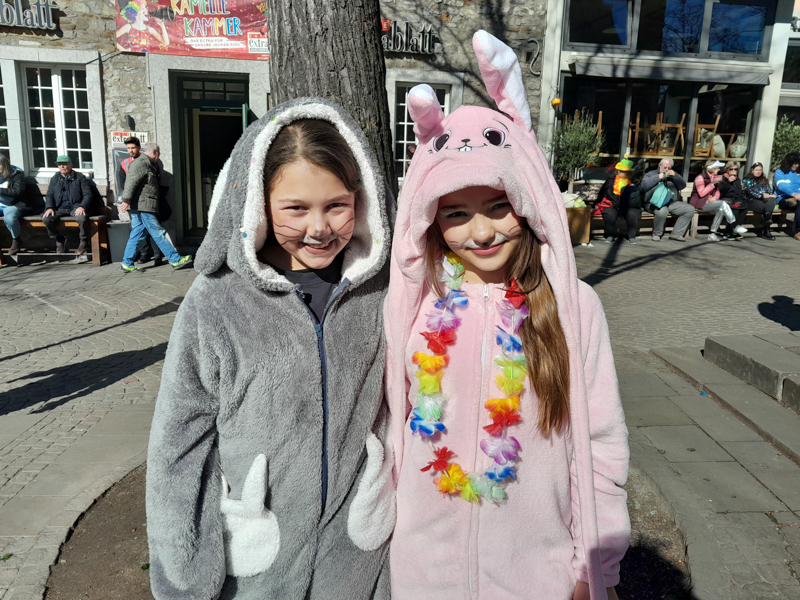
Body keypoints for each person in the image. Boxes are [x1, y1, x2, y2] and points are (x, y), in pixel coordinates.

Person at [385, 32, 628, 600]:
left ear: (525, 199)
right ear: (430, 219)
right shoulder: (414, 307)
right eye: (456, 214)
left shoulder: (572, 308)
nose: (481, 232)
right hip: (424, 573)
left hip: (537, 574)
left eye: (498, 206)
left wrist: (595, 567)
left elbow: (600, 444)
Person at [145, 103, 395, 600]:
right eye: (295, 208)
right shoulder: (217, 300)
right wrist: (183, 576)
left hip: (357, 556)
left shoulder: (384, 292)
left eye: (337, 205)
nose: (319, 228)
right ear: (259, 203)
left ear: (362, 198)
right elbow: (178, 442)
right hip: (257, 560)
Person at [119, 142, 191, 272]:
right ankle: (175, 259)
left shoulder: (147, 163)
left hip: (142, 205)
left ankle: (127, 263)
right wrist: (126, 199)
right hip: (143, 206)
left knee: (137, 234)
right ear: (155, 152)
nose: (159, 156)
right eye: (159, 154)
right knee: (157, 232)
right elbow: (130, 181)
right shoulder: (141, 163)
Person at [43, 155, 94, 255]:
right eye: (59, 164)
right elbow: (49, 195)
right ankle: (59, 239)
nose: (62, 166)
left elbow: (87, 194)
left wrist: (82, 206)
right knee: (46, 219)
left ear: (71, 165)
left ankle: (84, 240)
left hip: (75, 206)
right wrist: (49, 207)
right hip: (59, 207)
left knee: (81, 218)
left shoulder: (80, 177)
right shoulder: (55, 178)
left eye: (64, 164)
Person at [641, 158, 695, 242]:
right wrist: (658, 177)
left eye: (669, 168)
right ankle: (657, 234)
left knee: (690, 209)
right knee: (662, 211)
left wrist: (675, 176)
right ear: (660, 166)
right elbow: (644, 186)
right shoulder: (651, 174)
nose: (666, 170)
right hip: (653, 203)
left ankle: (676, 233)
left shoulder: (673, 175)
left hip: (671, 202)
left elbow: (682, 186)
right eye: (665, 167)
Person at [596, 156, 642, 244]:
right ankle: (611, 235)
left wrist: (633, 188)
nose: (619, 172)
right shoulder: (611, 179)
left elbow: (640, 193)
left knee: (632, 214)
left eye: (622, 171)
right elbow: (602, 192)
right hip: (613, 204)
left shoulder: (634, 181)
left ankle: (631, 236)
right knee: (609, 214)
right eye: (619, 170)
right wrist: (596, 204)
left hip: (629, 205)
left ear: (628, 173)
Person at [689, 159, 736, 242]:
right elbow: (701, 194)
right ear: (712, 168)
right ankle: (734, 224)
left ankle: (712, 233)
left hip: (709, 203)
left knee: (720, 209)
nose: (719, 170)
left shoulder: (714, 177)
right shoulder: (700, 178)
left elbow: (717, 192)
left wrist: (715, 198)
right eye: (717, 168)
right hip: (699, 203)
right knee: (723, 203)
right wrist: (712, 183)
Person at [0, 153, 32, 257]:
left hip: (14, 204)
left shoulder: (17, 175)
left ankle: (16, 240)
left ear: (4, 165)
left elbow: (18, 191)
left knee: (9, 218)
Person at [742, 162, 777, 241]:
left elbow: (769, 191)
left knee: (771, 199)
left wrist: (769, 195)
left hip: (765, 201)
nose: (758, 172)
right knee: (767, 203)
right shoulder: (747, 180)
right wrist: (762, 195)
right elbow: (750, 192)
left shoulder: (764, 180)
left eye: (760, 170)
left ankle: (767, 219)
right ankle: (767, 226)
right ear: (752, 170)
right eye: (756, 170)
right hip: (751, 201)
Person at [717, 161, 749, 240]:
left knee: (744, 207)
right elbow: (721, 192)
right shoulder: (722, 179)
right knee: (735, 209)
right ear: (727, 169)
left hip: (734, 200)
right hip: (724, 199)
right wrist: (728, 182)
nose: (733, 171)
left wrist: (739, 201)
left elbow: (739, 192)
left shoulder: (738, 180)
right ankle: (729, 231)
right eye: (731, 169)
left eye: (735, 169)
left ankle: (734, 228)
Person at [772, 152, 800, 241]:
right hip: (783, 198)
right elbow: (781, 186)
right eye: (795, 163)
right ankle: (798, 231)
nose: (797, 165)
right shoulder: (780, 172)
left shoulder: (798, 174)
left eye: (798, 163)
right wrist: (794, 194)